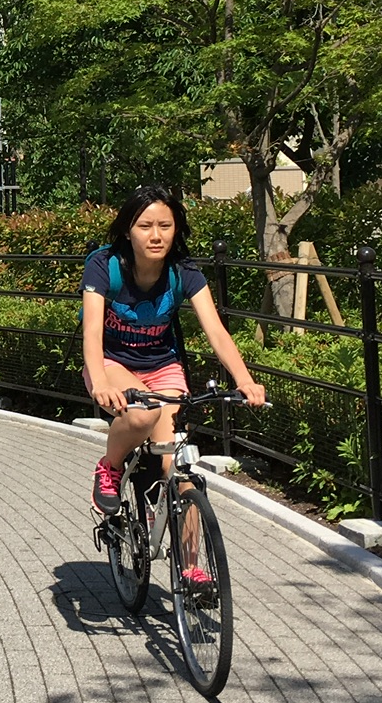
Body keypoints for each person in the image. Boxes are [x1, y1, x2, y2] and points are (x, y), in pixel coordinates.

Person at [81, 185, 266, 580]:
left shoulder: (184, 273)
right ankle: (109, 468)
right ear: (127, 230)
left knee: (180, 472)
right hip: (112, 362)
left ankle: (191, 568)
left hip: (163, 365)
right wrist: (98, 380)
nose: (155, 234)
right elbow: (92, 331)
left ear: (176, 229)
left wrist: (245, 381)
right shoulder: (104, 265)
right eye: (145, 225)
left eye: (165, 225)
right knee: (141, 416)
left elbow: (216, 332)